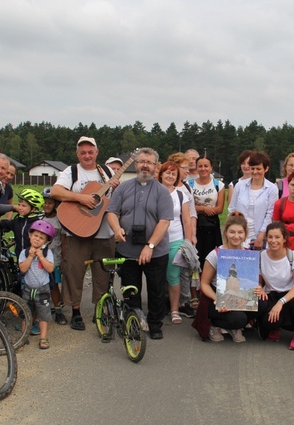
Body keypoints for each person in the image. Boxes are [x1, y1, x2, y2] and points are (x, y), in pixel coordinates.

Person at [51, 136, 118, 331]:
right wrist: (80, 198)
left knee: (102, 274)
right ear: (77, 154)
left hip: (104, 231)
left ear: (97, 153)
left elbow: (114, 198)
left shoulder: (107, 172)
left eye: (90, 152)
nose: (87, 155)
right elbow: (56, 192)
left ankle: (100, 310)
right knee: (74, 271)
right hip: (76, 231)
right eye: (83, 152)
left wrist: (117, 188)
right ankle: (76, 311)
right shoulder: (71, 171)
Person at [106, 147, 173, 339]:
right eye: (142, 161)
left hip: (156, 251)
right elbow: (111, 212)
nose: (145, 165)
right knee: (130, 289)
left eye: (149, 162)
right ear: (136, 164)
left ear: (155, 166)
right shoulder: (123, 188)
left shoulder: (162, 192)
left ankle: (155, 325)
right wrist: (116, 228)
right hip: (127, 250)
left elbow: (164, 221)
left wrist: (150, 246)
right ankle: (132, 321)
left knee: (156, 290)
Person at [255, 222, 294, 350]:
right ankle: (274, 327)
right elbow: (259, 280)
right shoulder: (261, 256)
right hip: (271, 295)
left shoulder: (293, 256)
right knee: (263, 310)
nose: (273, 241)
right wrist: (259, 288)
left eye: (277, 237)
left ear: (284, 238)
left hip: (290, 295)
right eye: (270, 237)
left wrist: (281, 302)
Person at [199, 212, 253, 343]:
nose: (236, 236)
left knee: (262, 305)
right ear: (225, 233)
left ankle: (235, 325)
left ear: (245, 233)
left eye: (240, 232)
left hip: (238, 296)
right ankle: (215, 325)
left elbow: (252, 281)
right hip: (217, 299)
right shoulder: (215, 254)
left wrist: (258, 289)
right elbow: (204, 284)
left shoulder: (249, 254)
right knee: (239, 319)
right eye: (232, 232)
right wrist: (216, 299)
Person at [157, 161, 192, 324]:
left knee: (173, 276)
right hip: (155, 241)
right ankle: (156, 308)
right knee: (156, 277)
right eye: (167, 172)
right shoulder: (153, 192)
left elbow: (186, 220)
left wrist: (188, 241)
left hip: (175, 240)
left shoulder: (180, 195)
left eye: (173, 173)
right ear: (161, 174)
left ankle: (174, 310)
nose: (170, 176)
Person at [18, 220, 56, 349]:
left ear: (46, 242)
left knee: (43, 314)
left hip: (42, 288)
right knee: (26, 312)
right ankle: (24, 335)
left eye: (41, 238)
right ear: (30, 235)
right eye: (35, 236)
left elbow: (50, 269)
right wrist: (30, 257)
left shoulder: (47, 253)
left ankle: (43, 337)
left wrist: (41, 257)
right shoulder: (24, 252)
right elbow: (23, 269)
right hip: (28, 288)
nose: (37, 239)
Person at [227, 150, 276, 250]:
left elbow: (270, 214)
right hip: (239, 236)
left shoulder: (272, 189)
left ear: (266, 169)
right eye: (252, 168)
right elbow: (231, 209)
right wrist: (233, 233)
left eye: (258, 169)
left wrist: (261, 236)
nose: (255, 172)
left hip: (259, 237)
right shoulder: (240, 186)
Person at [188, 156, 226, 268]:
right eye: (200, 166)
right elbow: (186, 207)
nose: (203, 169)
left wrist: (196, 208)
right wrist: (204, 209)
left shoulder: (219, 185)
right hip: (194, 224)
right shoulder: (189, 184)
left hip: (211, 225)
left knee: (211, 257)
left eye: (206, 166)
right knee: (195, 257)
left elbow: (219, 209)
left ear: (211, 167)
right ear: (196, 167)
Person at [41, 187, 66, 325]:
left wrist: (63, 258)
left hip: (54, 257)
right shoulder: (39, 217)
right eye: (44, 202)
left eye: (50, 203)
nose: (46, 205)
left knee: (54, 285)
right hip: (39, 258)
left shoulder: (59, 220)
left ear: (56, 204)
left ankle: (58, 310)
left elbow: (63, 241)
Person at [0, 189, 45, 259]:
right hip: (20, 261)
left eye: (23, 206)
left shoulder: (39, 224)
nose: (19, 208)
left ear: (33, 209)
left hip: (34, 261)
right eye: (19, 205)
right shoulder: (17, 221)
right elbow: (5, 224)